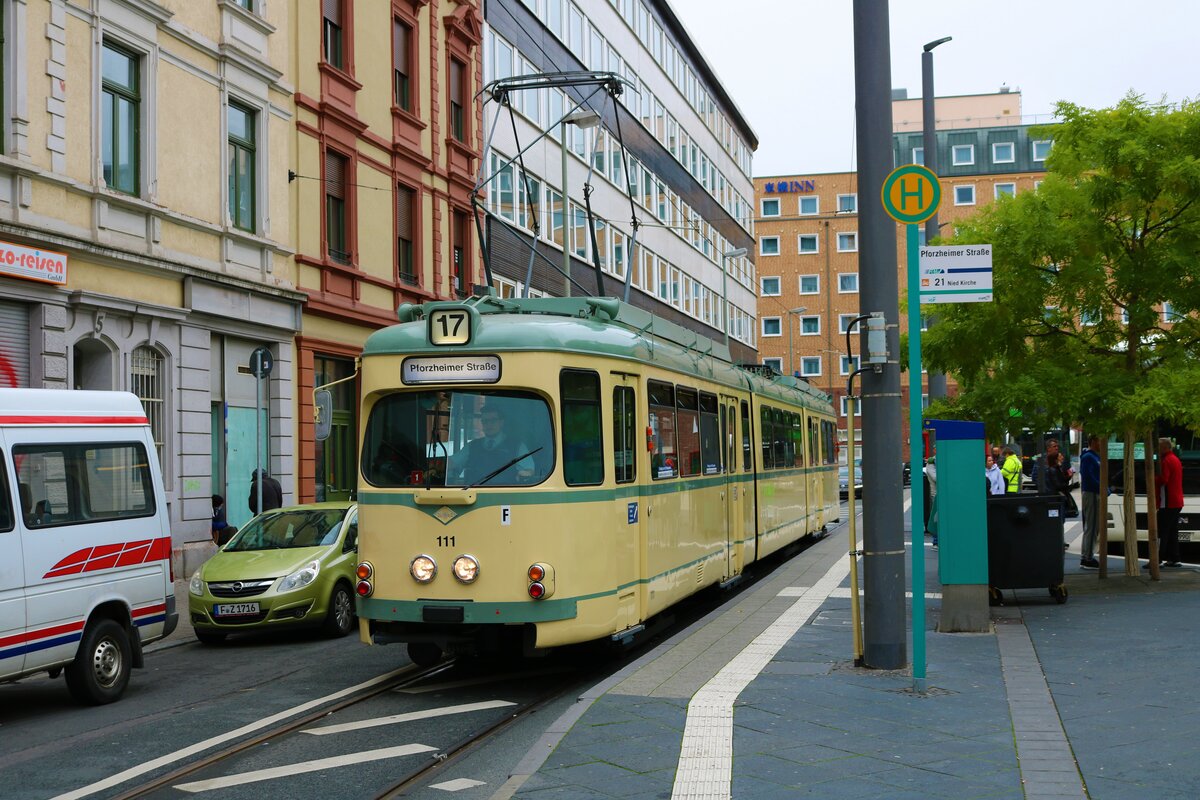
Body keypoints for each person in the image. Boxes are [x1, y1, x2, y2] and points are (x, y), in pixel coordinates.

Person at [448, 407, 535, 485]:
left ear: (501, 422)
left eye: (493, 421)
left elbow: (528, 471)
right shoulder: (472, 446)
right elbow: (452, 463)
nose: (488, 425)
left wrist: (525, 474)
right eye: (485, 421)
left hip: (506, 497)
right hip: (473, 494)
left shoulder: (517, 446)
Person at [1155, 437, 1184, 568]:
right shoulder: (1175, 459)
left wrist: (1151, 479)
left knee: (1162, 531)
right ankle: (1174, 558)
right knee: (1172, 531)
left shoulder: (1165, 461)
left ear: (1165, 447)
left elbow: (1163, 479)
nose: (1157, 450)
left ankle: (1158, 559)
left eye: (1159, 447)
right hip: (1176, 501)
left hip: (1167, 501)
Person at [1078, 435, 1102, 569]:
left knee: (1094, 526)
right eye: (1099, 440)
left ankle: (1087, 555)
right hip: (1092, 493)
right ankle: (1087, 557)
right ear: (1093, 442)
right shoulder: (1089, 457)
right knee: (1092, 526)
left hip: (1095, 492)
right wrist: (1103, 489)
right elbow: (1089, 477)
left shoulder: (1094, 456)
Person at [923, 456, 938, 547]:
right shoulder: (931, 464)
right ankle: (936, 542)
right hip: (936, 495)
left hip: (942, 495)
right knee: (936, 519)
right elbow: (936, 478)